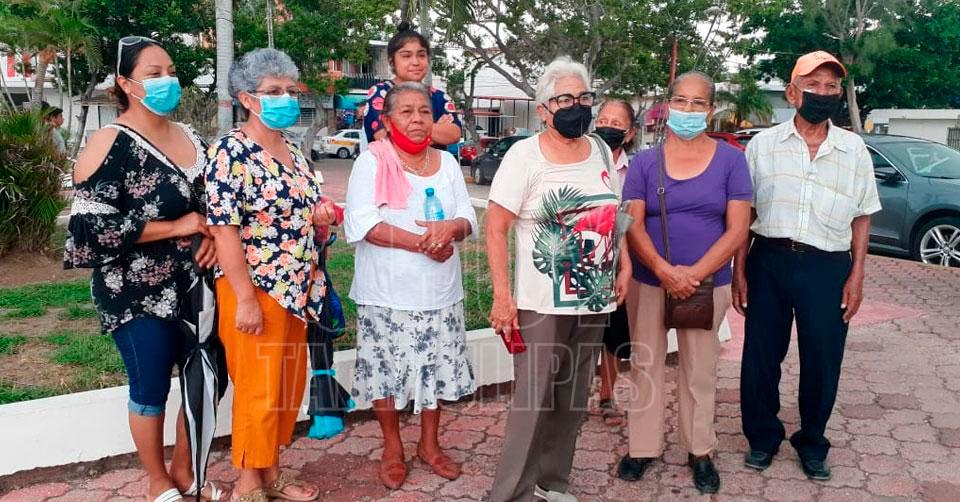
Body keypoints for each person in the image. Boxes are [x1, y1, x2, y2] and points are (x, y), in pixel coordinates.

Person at [64, 36, 225, 502]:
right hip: (136, 291)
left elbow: (218, 203)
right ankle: (157, 480)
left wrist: (214, 234)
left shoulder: (191, 137)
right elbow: (88, 230)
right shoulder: (109, 142)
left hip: (198, 285)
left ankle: (185, 469)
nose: (167, 81)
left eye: (170, 71)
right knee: (150, 385)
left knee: (207, 376)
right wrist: (178, 225)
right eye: (153, 74)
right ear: (125, 83)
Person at [487, 56, 629, 502]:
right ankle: (511, 494)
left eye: (584, 97)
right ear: (543, 110)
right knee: (533, 402)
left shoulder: (601, 150)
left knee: (571, 399)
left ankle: (552, 482)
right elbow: (496, 227)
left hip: (594, 300)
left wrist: (623, 264)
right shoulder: (523, 156)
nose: (577, 107)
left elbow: (613, 215)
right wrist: (503, 296)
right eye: (565, 99)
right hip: (541, 305)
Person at [734, 51, 881, 481]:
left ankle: (813, 442)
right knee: (761, 355)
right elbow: (745, 214)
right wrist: (739, 271)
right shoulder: (763, 146)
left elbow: (863, 215)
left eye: (831, 86)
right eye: (812, 85)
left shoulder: (853, 149)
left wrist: (857, 274)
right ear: (791, 92)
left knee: (823, 357)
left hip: (828, 266)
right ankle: (763, 437)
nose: (822, 93)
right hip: (769, 259)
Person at [206, 48, 338, 502]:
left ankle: (273, 474)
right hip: (255, 288)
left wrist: (320, 217)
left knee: (284, 388)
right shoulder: (230, 153)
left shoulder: (294, 150)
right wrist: (243, 298)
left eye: (290, 90)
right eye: (273, 91)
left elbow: (300, 213)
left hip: (297, 290)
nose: (286, 98)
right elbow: (224, 230)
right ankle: (247, 484)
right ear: (247, 99)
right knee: (258, 389)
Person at [616, 71, 753, 494]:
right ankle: (642, 447)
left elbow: (738, 228)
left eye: (698, 103)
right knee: (646, 365)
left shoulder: (732, 161)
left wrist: (694, 274)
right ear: (667, 105)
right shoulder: (644, 163)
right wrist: (663, 270)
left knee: (700, 369)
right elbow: (632, 223)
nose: (688, 109)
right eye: (680, 101)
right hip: (648, 280)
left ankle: (700, 450)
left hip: (707, 284)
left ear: (710, 110)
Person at [344, 81, 478, 490]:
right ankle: (392, 448)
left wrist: (450, 229)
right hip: (386, 292)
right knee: (384, 373)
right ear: (387, 121)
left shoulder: (448, 163)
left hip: (439, 291)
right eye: (406, 111)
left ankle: (429, 446)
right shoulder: (371, 161)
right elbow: (363, 223)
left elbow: (468, 217)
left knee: (435, 370)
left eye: (424, 111)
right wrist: (425, 243)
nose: (417, 119)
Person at [590, 99, 638, 428]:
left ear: (630, 133)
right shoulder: (582, 161)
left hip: (623, 258)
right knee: (580, 332)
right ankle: (568, 398)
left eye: (617, 123)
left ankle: (607, 396)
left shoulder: (635, 171)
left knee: (612, 332)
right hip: (584, 255)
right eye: (603, 120)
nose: (608, 126)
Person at [363, 22, 461, 147]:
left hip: (433, 160)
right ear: (392, 62)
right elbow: (384, 136)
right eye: (406, 56)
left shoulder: (439, 97)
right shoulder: (381, 93)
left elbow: (454, 134)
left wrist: (407, 130)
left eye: (421, 55)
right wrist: (435, 130)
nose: (415, 62)